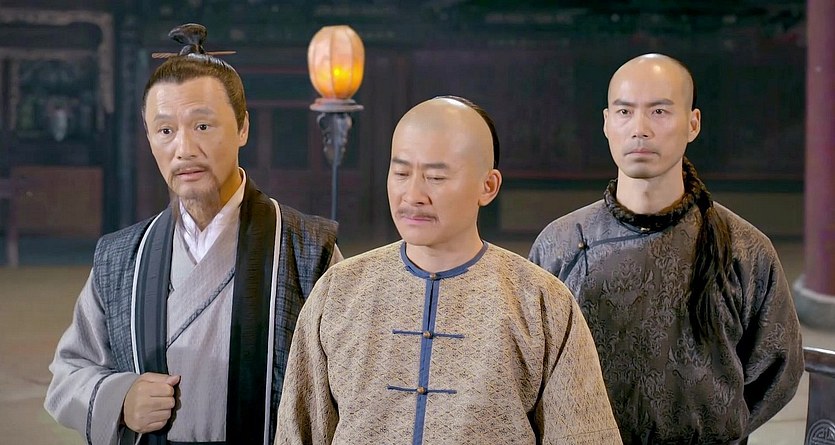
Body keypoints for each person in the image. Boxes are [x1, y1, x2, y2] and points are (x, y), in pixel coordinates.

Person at [44, 23, 341, 445]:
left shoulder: (306, 249)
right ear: (150, 139)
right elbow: (69, 373)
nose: (183, 149)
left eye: (203, 126)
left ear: (242, 128)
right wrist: (120, 397)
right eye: (165, 131)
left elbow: (354, 383)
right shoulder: (122, 257)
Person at [275, 96, 621, 444]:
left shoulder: (541, 301)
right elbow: (297, 433)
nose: (413, 195)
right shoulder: (339, 291)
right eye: (401, 173)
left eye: (436, 177)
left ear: (488, 186)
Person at [529, 53, 803, 444]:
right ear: (606, 123)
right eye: (625, 112)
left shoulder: (742, 249)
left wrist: (717, 426)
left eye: (659, 112)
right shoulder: (560, 243)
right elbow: (533, 370)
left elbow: (777, 369)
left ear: (693, 123)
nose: (639, 129)